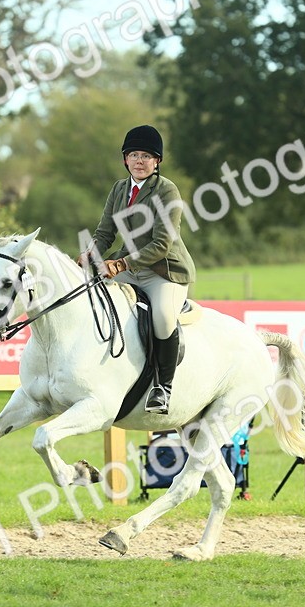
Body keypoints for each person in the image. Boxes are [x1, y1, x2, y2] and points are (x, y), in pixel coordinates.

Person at [86, 124, 195, 415]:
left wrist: (121, 264)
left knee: (162, 316)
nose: (139, 160)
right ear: (125, 159)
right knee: (92, 294)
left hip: (164, 271)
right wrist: (89, 255)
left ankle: (163, 387)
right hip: (129, 268)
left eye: (146, 156)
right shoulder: (119, 189)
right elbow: (105, 232)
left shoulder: (167, 190)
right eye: (133, 154)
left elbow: (161, 244)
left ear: (157, 161)